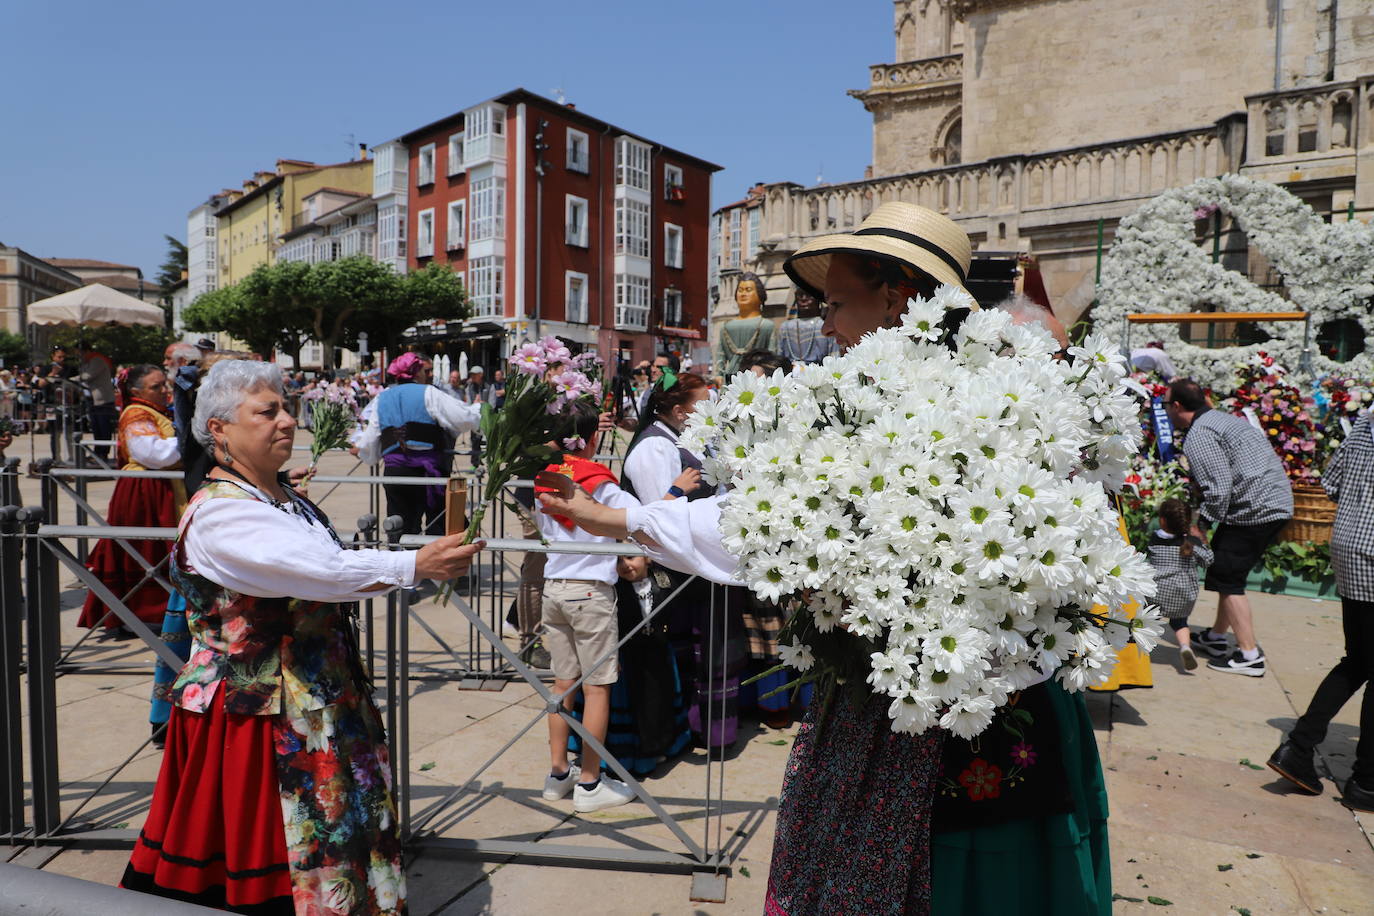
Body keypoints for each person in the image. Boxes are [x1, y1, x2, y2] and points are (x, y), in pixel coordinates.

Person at [539, 202, 1113, 916]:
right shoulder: (891, 394)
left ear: (900, 297)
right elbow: (786, 516)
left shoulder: (974, 402)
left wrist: (617, 516)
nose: (826, 325)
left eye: (838, 303)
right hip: (912, 691)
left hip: (968, 706)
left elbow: (779, 523)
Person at [121, 359, 481, 913]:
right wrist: (415, 565)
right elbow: (320, 573)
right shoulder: (222, 514)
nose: (287, 421)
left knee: (337, 830)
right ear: (219, 429)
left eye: (287, 407)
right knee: (274, 845)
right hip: (259, 712)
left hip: (314, 697)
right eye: (267, 412)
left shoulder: (273, 495)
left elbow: (319, 561)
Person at [534, 401, 698, 812]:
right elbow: (641, 518)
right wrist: (677, 490)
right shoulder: (597, 481)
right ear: (592, 439)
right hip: (590, 592)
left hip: (554, 587)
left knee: (561, 685)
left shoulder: (544, 480)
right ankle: (590, 782)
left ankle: (558, 775)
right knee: (597, 687)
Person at [1267, 411, 1374, 809]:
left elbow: (1330, 484)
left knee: (1359, 661)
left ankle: (1298, 747)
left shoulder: (1365, 422)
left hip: (1349, 544)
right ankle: (1366, 780)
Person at [1165, 377, 1294, 677]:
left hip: (1255, 509)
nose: (1166, 411)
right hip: (1269, 502)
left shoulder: (1199, 434)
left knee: (1229, 578)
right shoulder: (1219, 418)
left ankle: (1250, 655)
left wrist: (1202, 526)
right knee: (1225, 569)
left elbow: (1219, 488)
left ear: (1178, 406)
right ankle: (1216, 637)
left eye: (1167, 404)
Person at [78, 365, 186, 637]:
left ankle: (159, 609)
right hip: (143, 492)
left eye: (165, 384)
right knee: (143, 550)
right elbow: (154, 454)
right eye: (157, 386)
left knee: (158, 550)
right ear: (137, 391)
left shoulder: (152, 411)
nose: (165, 390)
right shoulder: (136, 414)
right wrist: (190, 439)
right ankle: (143, 611)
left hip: (157, 488)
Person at [354, 352, 480, 541]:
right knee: (438, 526)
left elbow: (370, 439)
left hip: (395, 474)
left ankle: (403, 567)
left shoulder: (382, 398)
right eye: (424, 370)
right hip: (428, 474)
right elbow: (465, 418)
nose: (427, 374)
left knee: (399, 527)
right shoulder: (429, 392)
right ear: (415, 372)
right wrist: (479, 408)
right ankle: (435, 567)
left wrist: (365, 453)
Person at [1147, 498, 1215, 672]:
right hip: (1184, 594)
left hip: (1157, 591)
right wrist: (1202, 542)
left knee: (1148, 617)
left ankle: (1139, 645)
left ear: (1162, 520)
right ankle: (1185, 647)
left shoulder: (1155, 539)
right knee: (1180, 621)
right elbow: (1209, 561)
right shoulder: (1192, 543)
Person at [715, 273, 775, 379]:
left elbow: (772, 354)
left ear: (759, 294)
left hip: (758, 378)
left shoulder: (767, 326)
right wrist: (719, 375)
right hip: (730, 377)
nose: (743, 294)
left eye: (748, 290)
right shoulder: (726, 326)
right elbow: (720, 354)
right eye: (740, 290)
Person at [78, 344, 117, 461]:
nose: (79, 356)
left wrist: (74, 377)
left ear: (87, 351)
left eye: (80, 353)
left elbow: (87, 376)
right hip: (93, 400)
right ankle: (97, 452)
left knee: (103, 428)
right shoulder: (88, 362)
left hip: (103, 400)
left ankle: (103, 453)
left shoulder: (97, 360)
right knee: (96, 428)